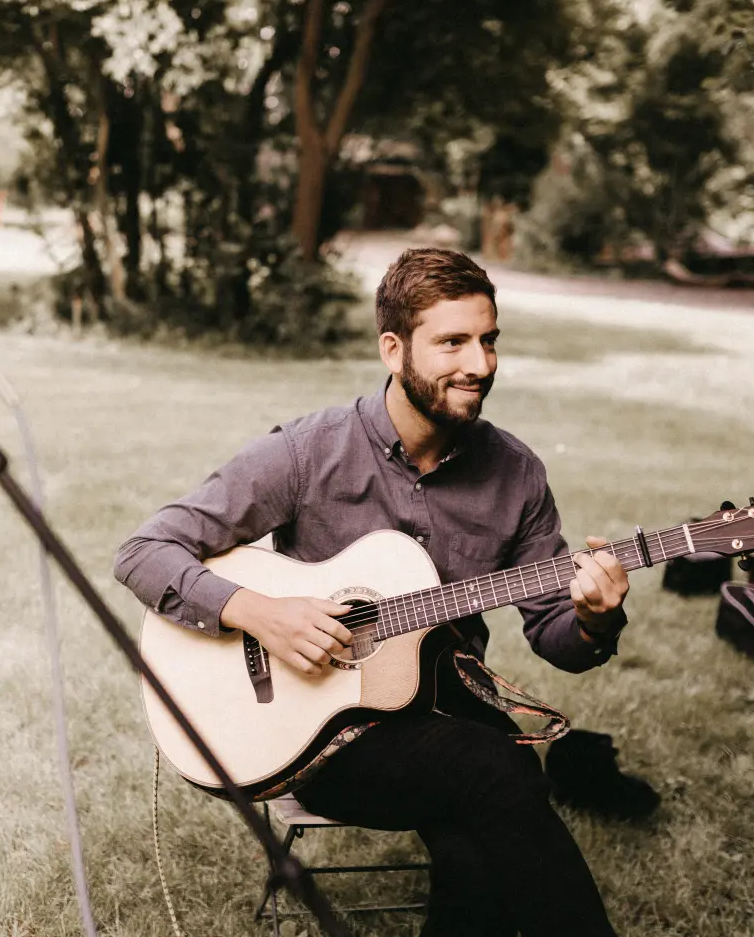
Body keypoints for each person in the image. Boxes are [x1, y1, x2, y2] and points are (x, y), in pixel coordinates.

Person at [115, 247, 630, 937]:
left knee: (473, 835)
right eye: (452, 342)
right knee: (496, 770)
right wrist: (261, 614)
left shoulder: (515, 474)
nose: (479, 364)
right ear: (393, 349)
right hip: (324, 732)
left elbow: (555, 638)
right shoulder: (308, 451)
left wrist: (594, 619)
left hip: (450, 709)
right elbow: (143, 551)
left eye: (488, 340)